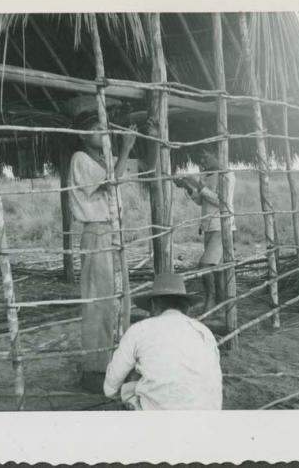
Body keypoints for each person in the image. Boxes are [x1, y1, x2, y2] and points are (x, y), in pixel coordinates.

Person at [68, 113, 136, 392]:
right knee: (98, 302)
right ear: (83, 135)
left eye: (105, 128)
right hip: (96, 232)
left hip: (111, 232)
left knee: (116, 300)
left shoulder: (103, 161)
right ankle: (94, 370)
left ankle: (112, 362)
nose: (103, 133)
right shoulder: (80, 159)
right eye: (96, 129)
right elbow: (112, 182)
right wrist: (127, 147)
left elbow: (129, 171)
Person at [103, 273, 222, 410]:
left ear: (153, 305)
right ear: (186, 306)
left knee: (133, 372)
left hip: (159, 421)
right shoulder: (204, 332)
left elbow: (109, 389)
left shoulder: (140, 330)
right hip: (206, 417)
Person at [174, 147, 236, 312]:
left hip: (222, 228)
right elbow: (202, 202)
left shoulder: (227, 175)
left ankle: (210, 299)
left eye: (205, 156)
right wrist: (188, 187)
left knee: (204, 265)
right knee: (217, 271)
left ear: (217, 155)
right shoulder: (207, 177)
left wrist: (199, 186)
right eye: (200, 159)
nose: (202, 162)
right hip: (209, 228)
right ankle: (222, 305)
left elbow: (223, 204)